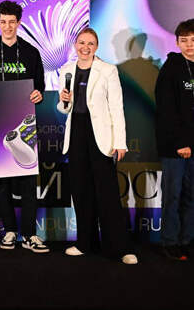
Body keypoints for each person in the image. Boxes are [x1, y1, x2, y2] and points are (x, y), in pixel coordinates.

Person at [57, 27, 138, 264]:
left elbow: (117, 108)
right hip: (76, 134)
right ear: (75, 45)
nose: (85, 47)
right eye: (82, 43)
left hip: (101, 137)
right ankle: (85, 243)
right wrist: (64, 101)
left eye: (90, 43)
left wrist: (120, 141)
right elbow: (64, 109)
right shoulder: (66, 70)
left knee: (108, 194)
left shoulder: (108, 70)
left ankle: (121, 249)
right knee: (81, 192)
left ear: (96, 47)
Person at [0, 0, 49, 253]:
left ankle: (30, 234)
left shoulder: (31, 52)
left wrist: (39, 94)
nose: (7, 26)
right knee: (2, 182)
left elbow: (39, 86)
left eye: (12, 22)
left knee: (28, 181)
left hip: (25, 122)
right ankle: (9, 231)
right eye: (3, 22)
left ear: (19, 23)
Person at [155, 19, 194, 261]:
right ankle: (170, 241)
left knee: (192, 196)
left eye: (193, 40)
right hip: (175, 147)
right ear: (178, 42)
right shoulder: (171, 68)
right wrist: (181, 142)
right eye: (184, 40)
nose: (189, 45)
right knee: (173, 195)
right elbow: (166, 110)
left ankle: (187, 240)